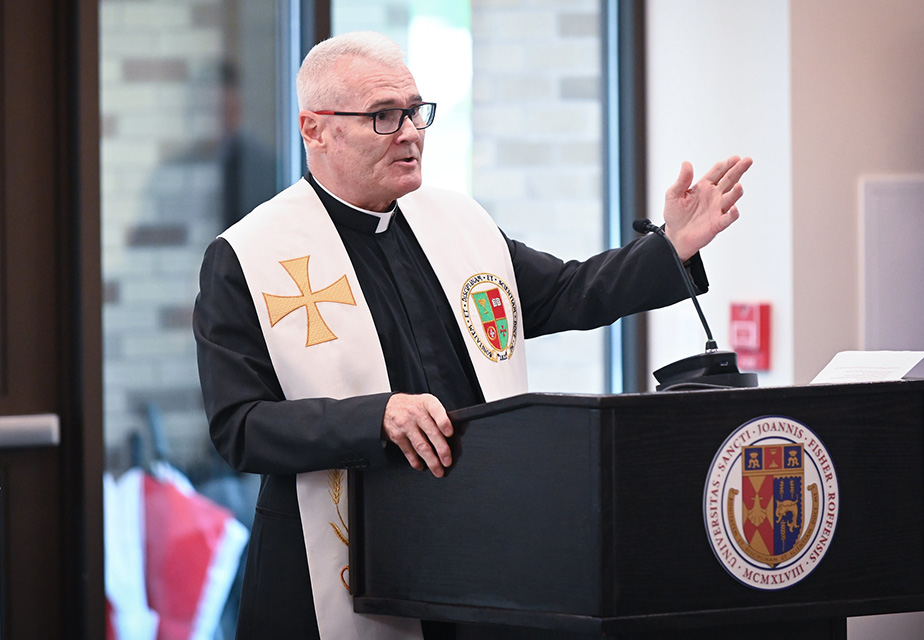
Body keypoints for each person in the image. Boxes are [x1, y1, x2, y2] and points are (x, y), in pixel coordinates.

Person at [193, 30, 751, 640]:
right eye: (384, 116)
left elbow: (569, 291)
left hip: (477, 548)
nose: (409, 132)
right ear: (315, 129)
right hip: (331, 557)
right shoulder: (250, 255)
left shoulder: (455, 223)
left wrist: (670, 247)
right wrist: (374, 417)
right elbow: (240, 426)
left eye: (414, 111)